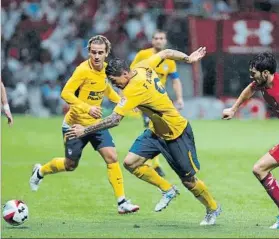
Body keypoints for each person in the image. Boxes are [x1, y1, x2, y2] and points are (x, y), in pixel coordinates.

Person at [66, 47, 222, 225]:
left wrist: (84, 130)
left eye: (114, 81)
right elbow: (165, 53)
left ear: (125, 74)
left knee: (189, 181)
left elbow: (115, 120)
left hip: (176, 133)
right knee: (130, 163)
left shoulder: (133, 89)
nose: (114, 85)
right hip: (156, 131)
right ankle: (167, 189)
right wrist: (188, 58)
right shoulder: (141, 66)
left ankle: (213, 208)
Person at [29, 35, 139, 214]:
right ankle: (40, 171)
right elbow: (65, 93)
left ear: (106, 53)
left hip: (95, 125)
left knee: (112, 157)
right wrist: (87, 108)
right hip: (75, 126)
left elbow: (107, 89)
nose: (96, 56)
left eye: (100, 53)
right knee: (70, 164)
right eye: (93, 52)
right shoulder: (82, 70)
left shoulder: (105, 70)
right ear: (89, 52)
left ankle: (122, 202)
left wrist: (122, 102)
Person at [222, 52, 279, 229]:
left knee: (259, 168)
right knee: (259, 169)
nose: (251, 76)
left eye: (253, 73)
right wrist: (233, 108)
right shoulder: (261, 83)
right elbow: (250, 89)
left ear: (265, 73)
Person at [130, 30, 184, 177]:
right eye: (156, 38)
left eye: (161, 38)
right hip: (144, 99)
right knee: (152, 128)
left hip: (160, 101)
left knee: (160, 130)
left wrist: (179, 98)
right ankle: (154, 164)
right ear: (152, 40)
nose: (159, 41)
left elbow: (175, 79)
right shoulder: (143, 55)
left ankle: (151, 161)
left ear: (165, 41)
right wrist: (130, 99)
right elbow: (130, 74)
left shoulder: (170, 61)